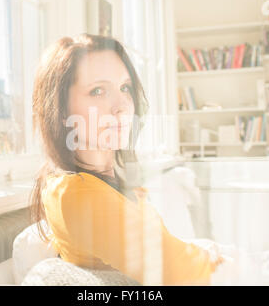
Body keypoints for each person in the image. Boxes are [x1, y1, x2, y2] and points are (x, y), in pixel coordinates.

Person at [29, 33, 224, 285]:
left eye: (124, 88)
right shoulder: (75, 193)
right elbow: (181, 272)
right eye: (97, 91)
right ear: (62, 110)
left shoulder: (108, 178)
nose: (121, 107)